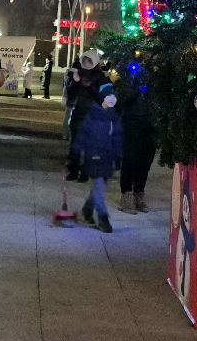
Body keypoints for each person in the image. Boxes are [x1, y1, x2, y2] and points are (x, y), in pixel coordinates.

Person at [73, 83, 123, 233]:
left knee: (98, 188)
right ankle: (103, 218)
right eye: (109, 96)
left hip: (107, 158)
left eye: (114, 96)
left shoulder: (114, 117)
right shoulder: (93, 115)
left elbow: (117, 137)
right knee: (99, 187)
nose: (112, 99)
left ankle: (88, 209)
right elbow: (83, 134)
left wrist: (118, 155)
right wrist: (76, 151)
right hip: (94, 156)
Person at [64, 50, 108, 180]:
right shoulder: (79, 72)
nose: (86, 63)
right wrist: (74, 81)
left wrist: (88, 85)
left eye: (89, 61)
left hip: (92, 113)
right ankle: (73, 170)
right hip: (78, 111)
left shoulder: (100, 76)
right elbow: (70, 92)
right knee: (75, 143)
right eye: (84, 60)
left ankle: (85, 172)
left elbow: (101, 97)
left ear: (94, 62)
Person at [117, 85, 157, 213]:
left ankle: (139, 192)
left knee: (146, 159)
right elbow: (123, 93)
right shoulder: (130, 67)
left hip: (152, 120)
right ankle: (126, 194)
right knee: (131, 157)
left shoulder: (157, 69)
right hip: (132, 118)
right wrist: (141, 87)